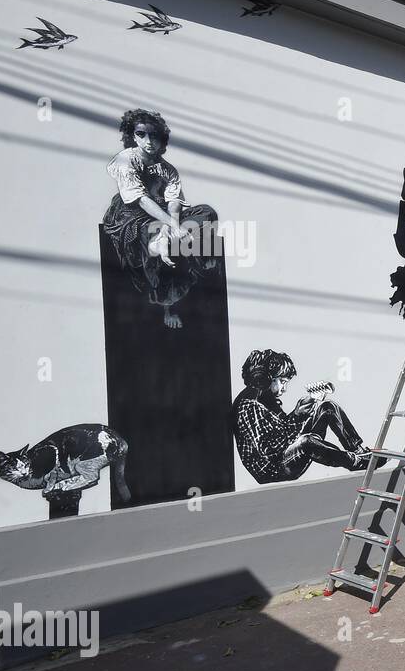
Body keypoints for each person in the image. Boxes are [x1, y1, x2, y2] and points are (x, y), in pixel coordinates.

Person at [102, 109, 221, 329]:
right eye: (141, 134)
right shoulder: (126, 160)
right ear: (132, 136)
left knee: (207, 212)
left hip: (164, 213)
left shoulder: (168, 170)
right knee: (155, 233)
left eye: (154, 136)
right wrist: (167, 226)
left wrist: (173, 226)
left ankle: (177, 244)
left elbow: (173, 201)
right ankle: (168, 302)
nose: (148, 141)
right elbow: (141, 200)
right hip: (132, 214)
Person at [231, 349, 378, 483]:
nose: (285, 388)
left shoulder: (265, 398)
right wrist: (297, 416)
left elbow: (283, 430)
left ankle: (358, 450)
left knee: (328, 407)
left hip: (283, 455)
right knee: (306, 442)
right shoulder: (248, 405)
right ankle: (356, 462)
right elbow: (272, 447)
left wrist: (302, 413)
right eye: (282, 381)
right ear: (267, 378)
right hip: (273, 469)